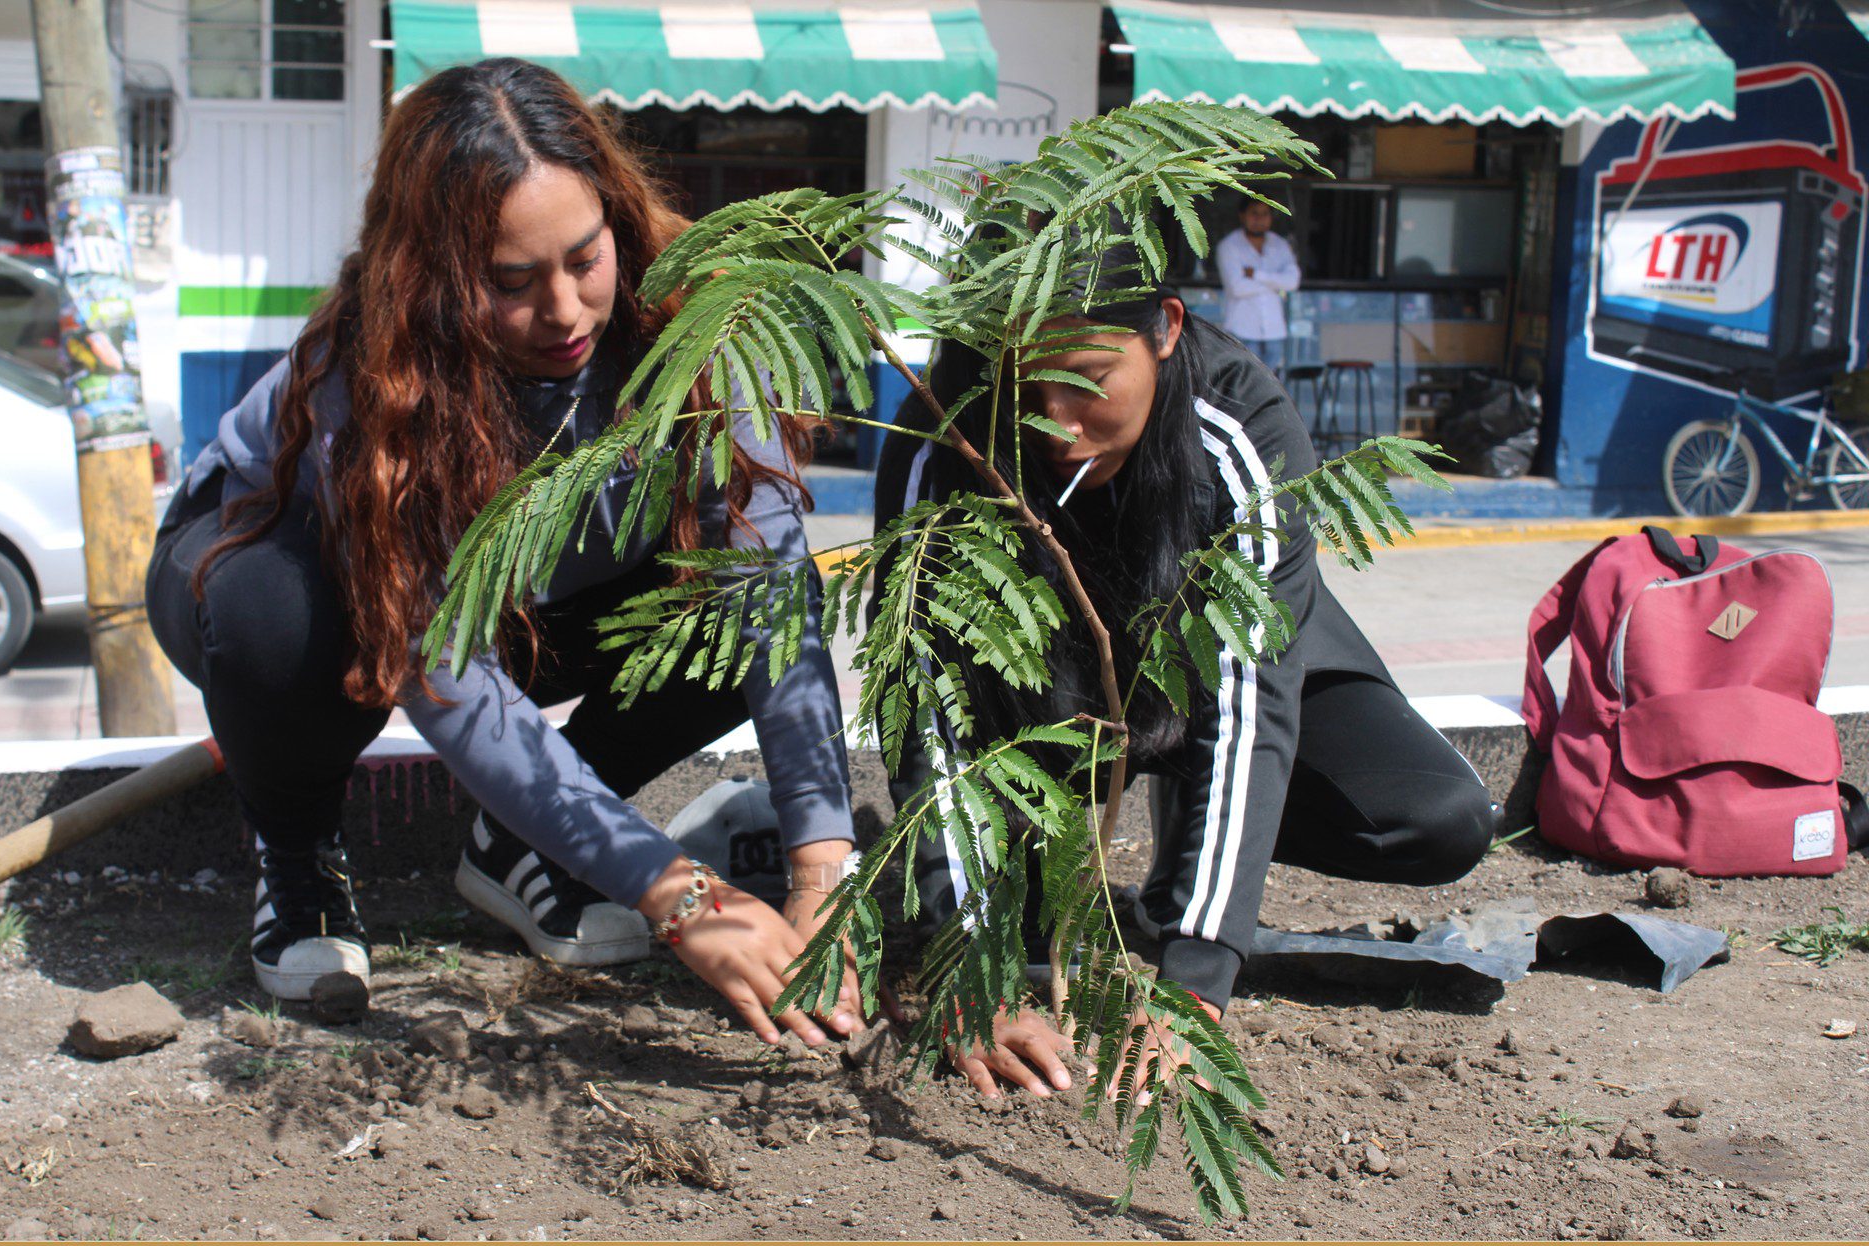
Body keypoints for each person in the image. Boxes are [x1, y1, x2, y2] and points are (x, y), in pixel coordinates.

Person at [146, 58, 862, 1048]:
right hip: (284, 577)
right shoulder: (372, 384)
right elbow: (441, 673)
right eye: (511, 283)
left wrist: (822, 868)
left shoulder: (700, 319)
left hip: (531, 599)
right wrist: (678, 892)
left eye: (583, 259)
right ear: (432, 276)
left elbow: (769, 590)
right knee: (279, 615)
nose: (564, 312)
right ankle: (299, 855)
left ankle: (516, 845)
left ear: (617, 216)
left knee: (722, 611)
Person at [875, 232, 1493, 1099]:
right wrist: (973, 974)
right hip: (1044, 701)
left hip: (1225, 674)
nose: (1057, 420)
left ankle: (1186, 839)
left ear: (1167, 328)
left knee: (1439, 819)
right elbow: (926, 709)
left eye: (1090, 377)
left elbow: (1251, 700)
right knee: (1020, 912)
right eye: (1027, 383)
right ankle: (1015, 869)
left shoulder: (1237, 418)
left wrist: (1195, 971)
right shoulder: (948, 432)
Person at [1214, 200, 1300, 375]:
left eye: (1265, 214)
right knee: (1244, 384)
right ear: (1242, 215)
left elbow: (1292, 282)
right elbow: (1237, 288)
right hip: (1242, 329)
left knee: (1273, 387)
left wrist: (1257, 275)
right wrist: (1275, 284)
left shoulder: (1280, 245)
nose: (1259, 219)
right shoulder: (1229, 246)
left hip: (1274, 330)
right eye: (1254, 213)